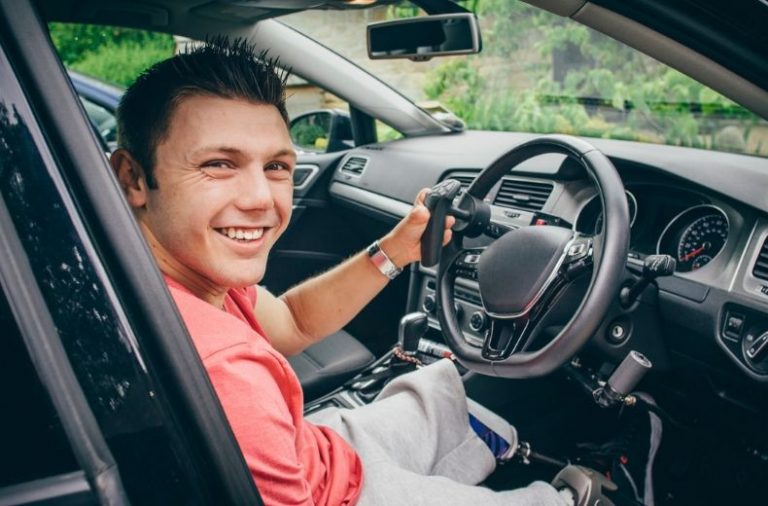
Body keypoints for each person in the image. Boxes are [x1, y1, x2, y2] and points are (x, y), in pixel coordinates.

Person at [110, 38, 570, 505]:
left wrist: (395, 250)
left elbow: (292, 321)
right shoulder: (229, 372)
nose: (260, 199)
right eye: (218, 164)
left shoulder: (157, 280)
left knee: (442, 396)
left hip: (313, 449)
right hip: (341, 494)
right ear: (133, 178)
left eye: (276, 166)